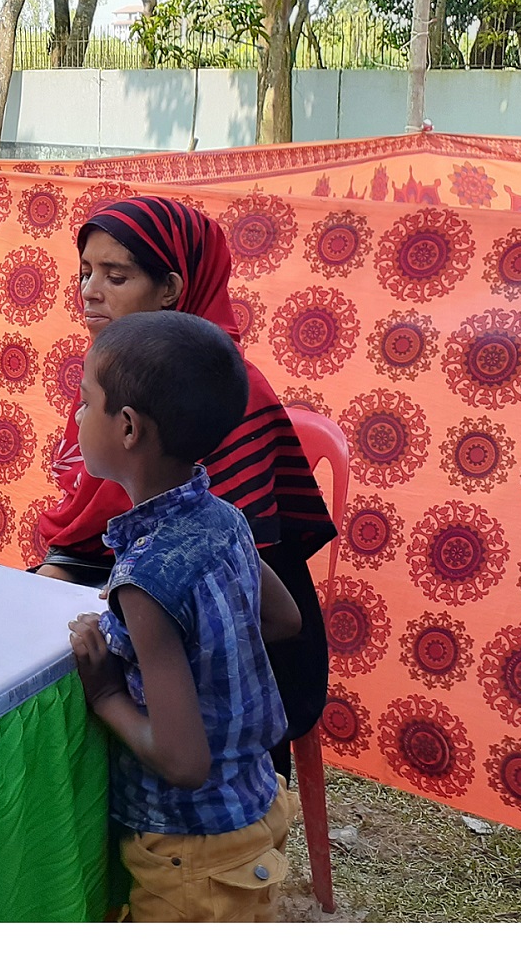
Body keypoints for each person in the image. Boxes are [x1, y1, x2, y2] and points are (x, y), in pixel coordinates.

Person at [36, 195, 334, 779]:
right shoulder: (117, 367)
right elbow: (95, 527)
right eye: (85, 273)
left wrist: (99, 608)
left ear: (171, 287)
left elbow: (229, 596)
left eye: (115, 276)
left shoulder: (220, 385)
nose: (90, 291)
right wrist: (60, 568)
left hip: (243, 669)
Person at [66, 310, 302, 923]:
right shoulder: (225, 517)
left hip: (189, 850)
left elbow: (183, 761)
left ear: (126, 428)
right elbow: (284, 620)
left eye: (84, 401)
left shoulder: (143, 582)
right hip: (257, 804)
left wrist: (106, 692)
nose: (76, 416)